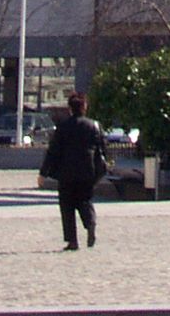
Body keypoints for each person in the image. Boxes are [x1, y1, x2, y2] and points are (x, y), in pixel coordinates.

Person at [40, 92, 108, 250]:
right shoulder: (94, 126)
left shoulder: (63, 127)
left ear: (70, 109)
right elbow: (103, 149)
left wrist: (43, 172)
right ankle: (90, 223)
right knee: (85, 200)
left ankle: (72, 241)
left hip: (67, 172)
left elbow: (53, 151)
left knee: (67, 206)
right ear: (84, 107)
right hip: (88, 170)